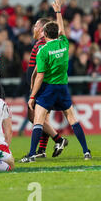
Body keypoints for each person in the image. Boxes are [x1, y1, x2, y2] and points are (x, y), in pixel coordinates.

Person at [24, 0, 91, 162]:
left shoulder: (43, 50)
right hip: (63, 87)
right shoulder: (64, 43)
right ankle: (86, 151)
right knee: (72, 119)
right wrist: (58, 12)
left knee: (38, 120)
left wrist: (32, 96)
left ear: (44, 34)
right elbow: (62, 30)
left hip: (48, 88)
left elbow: (39, 75)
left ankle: (32, 154)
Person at [23, 18, 62, 160]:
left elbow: (40, 69)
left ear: (41, 29)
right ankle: (42, 150)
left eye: (35, 26)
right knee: (41, 118)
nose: (33, 28)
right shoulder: (40, 43)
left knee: (35, 117)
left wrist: (34, 89)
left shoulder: (42, 44)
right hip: (41, 86)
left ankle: (58, 139)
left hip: (41, 87)